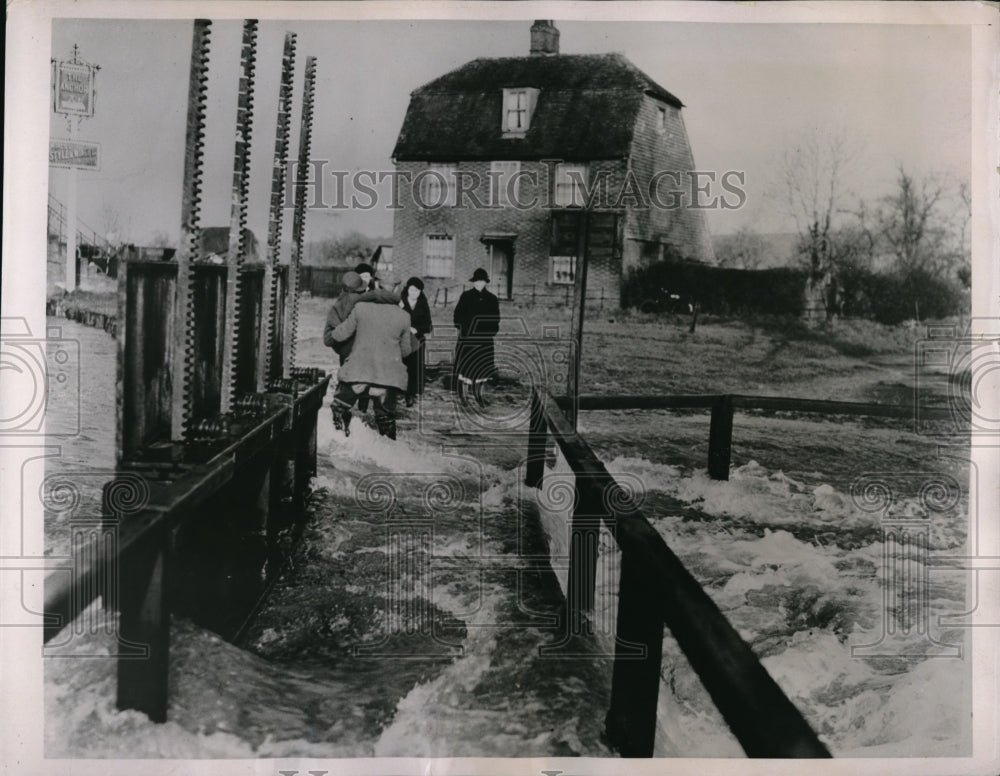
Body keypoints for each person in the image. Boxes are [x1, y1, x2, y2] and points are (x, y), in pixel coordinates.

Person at [328, 271, 413, 439]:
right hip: (387, 378)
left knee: (339, 409)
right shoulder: (404, 316)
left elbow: (339, 335)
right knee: (386, 419)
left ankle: (340, 440)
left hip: (357, 373)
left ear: (375, 286)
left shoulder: (360, 308)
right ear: (396, 290)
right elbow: (406, 351)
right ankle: (388, 454)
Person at [453, 267, 500, 407]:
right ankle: (464, 395)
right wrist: (465, 331)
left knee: (481, 367)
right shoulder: (466, 296)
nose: (479, 284)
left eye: (482, 281)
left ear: (485, 282)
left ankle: (478, 394)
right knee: (465, 366)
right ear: (473, 282)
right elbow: (457, 316)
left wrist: (489, 332)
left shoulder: (492, 299)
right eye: (477, 281)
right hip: (467, 339)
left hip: (484, 340)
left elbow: (495, 319)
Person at [400, 277, 433, 407]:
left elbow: (428, 325)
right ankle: (400, 389)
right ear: (407, 289)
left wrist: (417, 329)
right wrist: (407, 328)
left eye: (417, 291)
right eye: (412, 290)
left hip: (418, 340)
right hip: (403, 339)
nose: (414, 293)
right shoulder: (401, 303)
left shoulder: (423, 304)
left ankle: (411, 394)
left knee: (415, 367)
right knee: (403, 365)